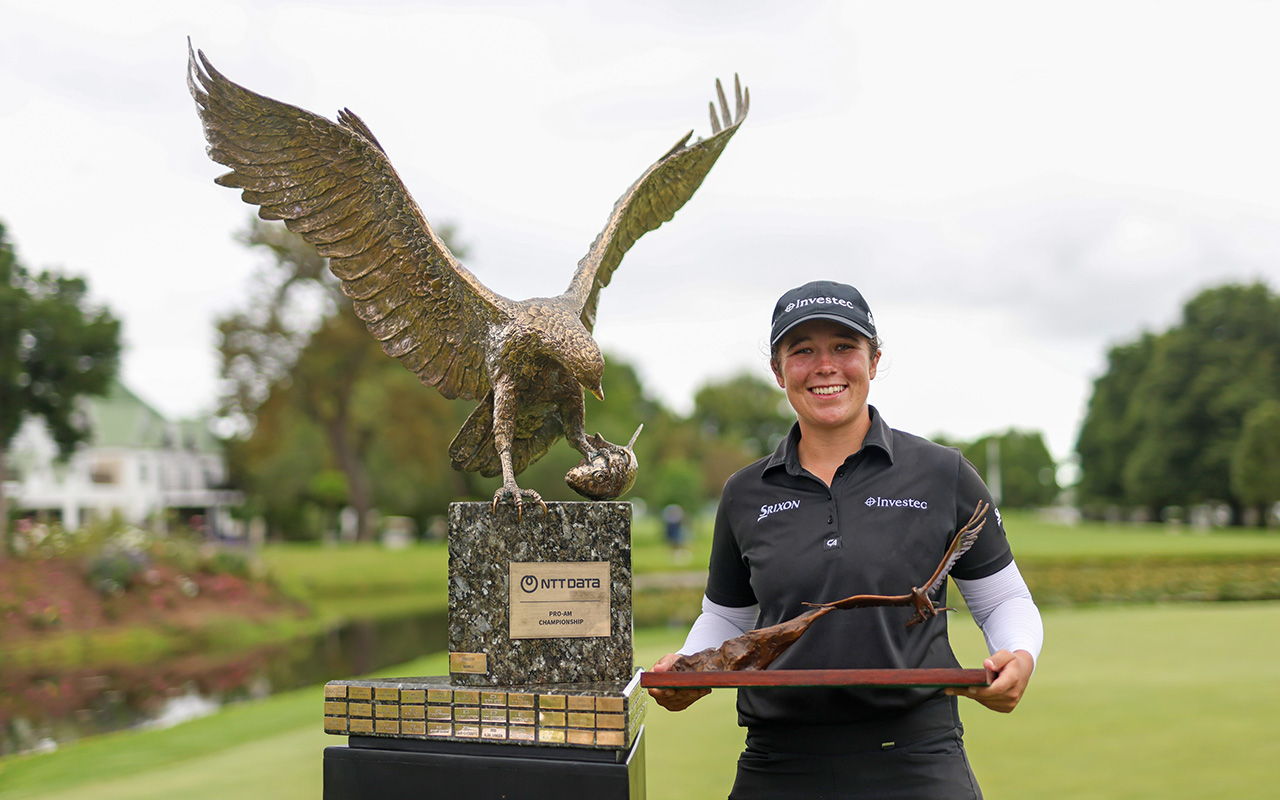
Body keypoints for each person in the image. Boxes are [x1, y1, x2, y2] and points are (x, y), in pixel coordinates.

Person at [647, 280, 1043, 800]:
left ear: (874, 361)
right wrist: (691, 667)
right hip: (779, 760)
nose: (825, 365)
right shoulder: (745, 492)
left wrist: (1017, 655)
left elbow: (1003, 600)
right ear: (778, 370)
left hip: (916, 758)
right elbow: (729, 616)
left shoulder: (942, 473)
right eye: (803, 350)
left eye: (844, 347)